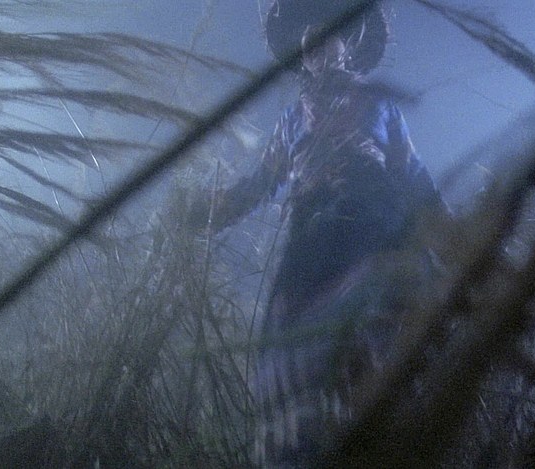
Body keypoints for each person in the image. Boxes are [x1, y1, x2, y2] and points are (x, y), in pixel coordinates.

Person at [190, 1, 453, 464]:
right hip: (311, 232)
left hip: (373, 216)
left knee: (377, 325)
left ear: (348, 44)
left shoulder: (378, 104)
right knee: (291, 348)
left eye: (328, 34)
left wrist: (450, 235)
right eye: (308, 41)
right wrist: (206, 211)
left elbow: (412, 173)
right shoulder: (293, 120)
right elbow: (261, 182)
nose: (317, 45)